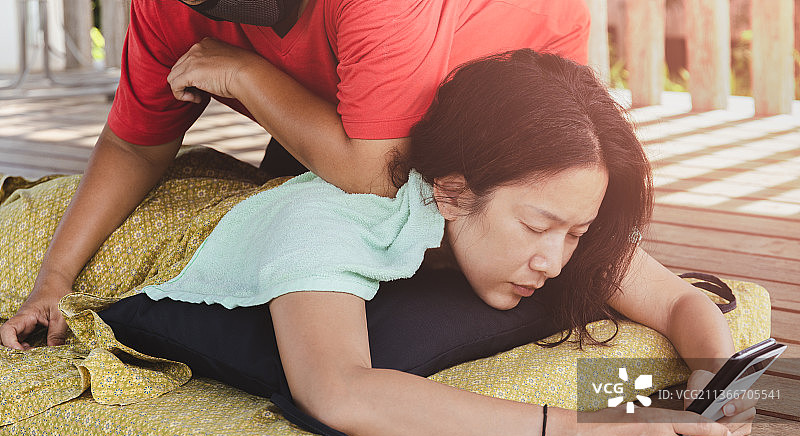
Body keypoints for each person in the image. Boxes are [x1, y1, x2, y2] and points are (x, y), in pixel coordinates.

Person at [120, 50, 752, 436]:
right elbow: (335, 389)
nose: (555, 261)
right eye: (535, 228)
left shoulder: (549, 203)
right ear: (451, 193)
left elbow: (678, 303)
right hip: (161, 234)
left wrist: (715, 385)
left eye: (576, 233)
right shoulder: (334, 219)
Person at [0, 0, 591, 350]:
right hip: (352, 109)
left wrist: (244, 74)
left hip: (513, 97)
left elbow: (378, 174)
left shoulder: (535, 200)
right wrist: (52, 286)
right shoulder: (167, 7)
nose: (553, 257)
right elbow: (134, 145)